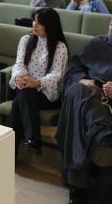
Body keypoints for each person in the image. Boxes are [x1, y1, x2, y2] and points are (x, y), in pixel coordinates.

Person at [56, 8, 112, 204]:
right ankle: (102, 139)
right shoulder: (97, 43)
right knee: (79, 90)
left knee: (80, 117)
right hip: (85, 97)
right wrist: (83, 80)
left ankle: (77, 187)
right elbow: (72, 68)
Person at [10, 8, 68, 155]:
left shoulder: (60, 47)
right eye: (34, 20)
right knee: (24, 93)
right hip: (25, 86)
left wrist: (37, 82)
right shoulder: (26, 40)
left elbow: (56, 74)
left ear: (49, 25)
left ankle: (11, 154)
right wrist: (19, 77)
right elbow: (19, 64)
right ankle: (33, 139)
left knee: (18, 102)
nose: (34, 25)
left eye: (39, 22)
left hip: (46, 93)